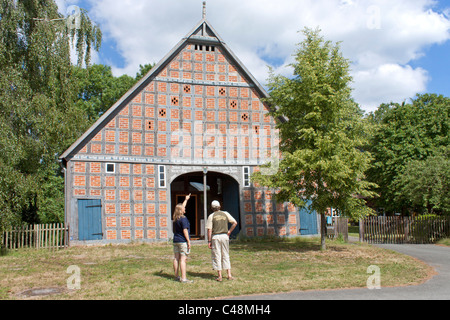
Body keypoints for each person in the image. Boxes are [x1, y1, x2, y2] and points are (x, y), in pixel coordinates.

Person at [206, 200, 238, 282]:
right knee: (226, 254)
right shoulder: (225, 213)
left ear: (212, 208)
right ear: (219, 206)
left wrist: (209, 241)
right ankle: (229, 274)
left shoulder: (211, 216)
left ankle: (219, 275)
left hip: (215, 236)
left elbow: (209, 230)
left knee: (217, 255)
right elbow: (234, 222)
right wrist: (229, 231)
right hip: (224, 236)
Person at [172, 194, 193, 283]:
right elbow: (185, 231)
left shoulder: (176, 218)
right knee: (183, 259)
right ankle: (184, 279)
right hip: (182, 241)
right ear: (181, 210)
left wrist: (186, 199)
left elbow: (182, 207)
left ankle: (177, 276)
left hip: (176, 240)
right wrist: (188, 241)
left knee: (176, 258)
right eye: (183, 208)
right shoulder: (183, 219)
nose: (185, 209)